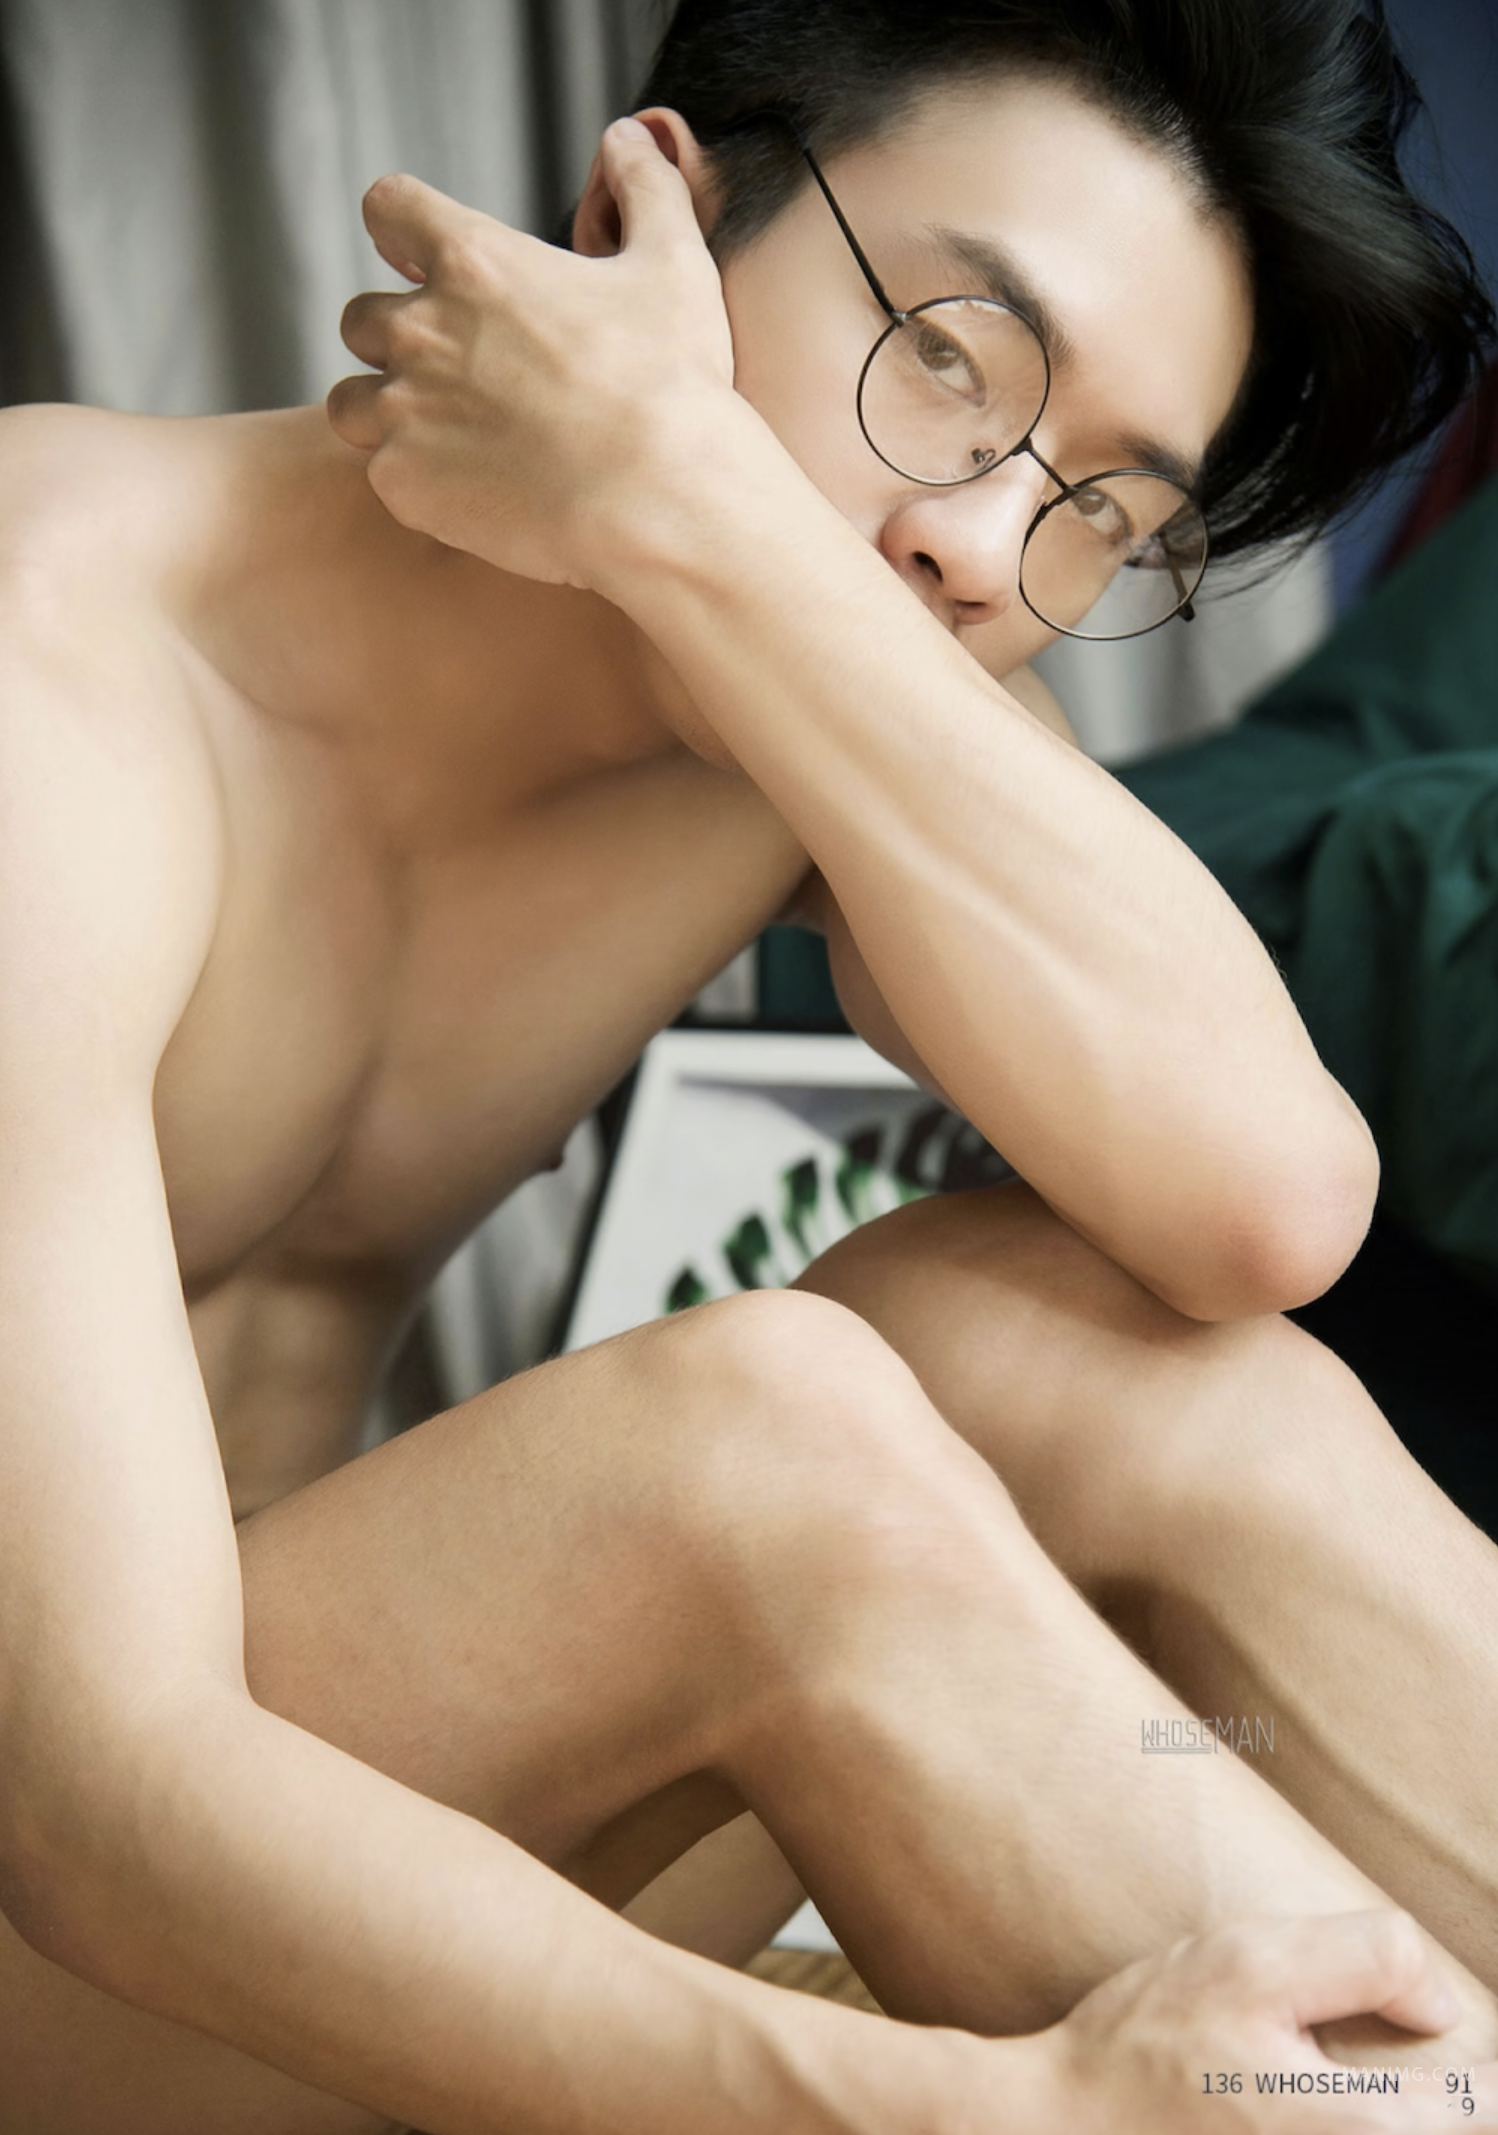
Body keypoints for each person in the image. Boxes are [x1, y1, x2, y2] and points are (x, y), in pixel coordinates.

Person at [1, 2, 1496, 2130]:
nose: (976, 546)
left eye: (1097, 506)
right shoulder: (53, 660)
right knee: (751, 1445)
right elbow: (93, 1794)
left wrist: (696, 506)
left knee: (1061, 1338)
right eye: (949, 359)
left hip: (320, 1840)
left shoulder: (790, 649)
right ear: (649, 219)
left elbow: (1264, 1199)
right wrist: (972, 2107)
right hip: (70, 1878)